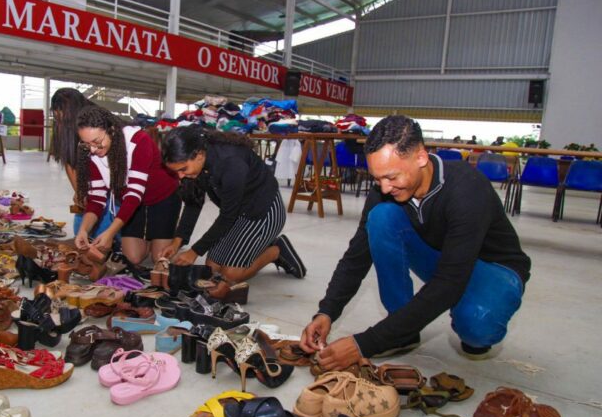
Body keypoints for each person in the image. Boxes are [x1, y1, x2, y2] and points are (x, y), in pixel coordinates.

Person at [300, 115, 530, 370]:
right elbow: (357, 255)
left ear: (421, 157)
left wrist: (365, 343)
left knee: (476, 324)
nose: (384, 188)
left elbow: (449, 282)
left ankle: (475, 318)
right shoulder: (385, 190)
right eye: (377, 179)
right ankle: (403, 333)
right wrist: (326, 312)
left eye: (391, 177)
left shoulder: (467, 189)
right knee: (381, 218)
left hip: (494, 267)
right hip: (445, 258)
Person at [160, 125, 305, 286]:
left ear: (199, 155)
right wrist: (176, 242)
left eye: (182, 169)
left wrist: (195, 251)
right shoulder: (197, 163)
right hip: (237, 213)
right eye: (176, 172)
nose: (180, 176)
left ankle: (277, 250)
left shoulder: (231, 162)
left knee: (230, 275)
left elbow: (228, 216)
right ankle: (260, 246)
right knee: (212, 269)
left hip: (263, 212)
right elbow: (193, 203)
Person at [73, 105, 181, 265]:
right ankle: (148, 238)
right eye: (87, 144)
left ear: (111, 130)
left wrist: (111, 232)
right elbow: (96, 199)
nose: (93, 149)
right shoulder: (91, 152)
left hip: (162, 198)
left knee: (159, 258)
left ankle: (160, 236)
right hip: (134, 206)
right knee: (133, 257)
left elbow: (134, 193)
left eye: (97, 141)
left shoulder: (138, 141)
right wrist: (83, 230)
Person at [49, 88, 95, 236]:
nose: (60, 121)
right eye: (57, 116)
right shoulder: (63, 125)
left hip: (111, 184)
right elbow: (69, 162)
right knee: (80, 233)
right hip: (90, 181)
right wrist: (80, 192)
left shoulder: (95, 121)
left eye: (63, 116)